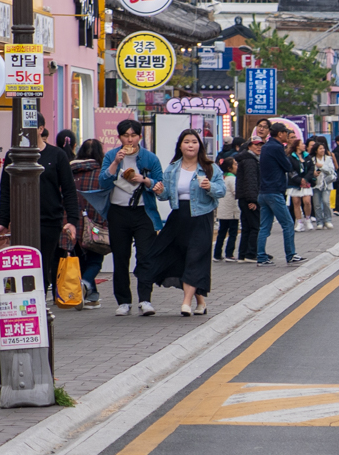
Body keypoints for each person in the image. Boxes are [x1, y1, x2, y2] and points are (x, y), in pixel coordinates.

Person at [139, 129, 226, 317]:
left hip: (202, 217)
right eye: (187, 142)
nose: (190, 145)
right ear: (180, 145)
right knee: (178, 257)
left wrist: (210, 186)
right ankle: (200, 301)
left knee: (195, 258)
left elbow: (221, 190)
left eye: (194, 142)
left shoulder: (210, 167)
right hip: (179, 217)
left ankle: (186, 303)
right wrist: (159, 190)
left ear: (199, 146)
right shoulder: (173, 168)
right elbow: (166, 196)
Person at [88, 119, 166, 315]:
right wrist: (115, 162)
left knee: (145, 256)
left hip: (143, 212)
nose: (129, 140)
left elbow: (160, 184)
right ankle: (123, 301)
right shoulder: (112, 155)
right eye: (125, 135)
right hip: (118, 212)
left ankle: (145, 300)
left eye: (133, 135)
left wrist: (145, 180)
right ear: (119, 137)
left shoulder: (150, 158)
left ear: (140, 136)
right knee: (121, 257)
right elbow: (103, 182)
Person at [0, 124, 79, 304]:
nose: (23, 133)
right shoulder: (13, 155)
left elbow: (69, 190)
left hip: (50, 220)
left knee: (44, 265)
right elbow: (5, 189)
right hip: (20, 221)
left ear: (41, 129)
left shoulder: (57, 155)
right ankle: (27, 306)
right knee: (23, 265)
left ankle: (38, 306)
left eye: (29, 128)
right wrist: (3, 220)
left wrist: (72, 220)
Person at [257, 123, 306, 265]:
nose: (287, 135)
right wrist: (287, 151)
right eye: (285, 133)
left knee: (264, 226)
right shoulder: (277, 147)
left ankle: (261, 257)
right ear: (280, 134)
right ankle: (290, 254)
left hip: (263, 191)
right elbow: (288, 166)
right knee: (288, 223)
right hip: (274, 192)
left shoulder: (265, 146)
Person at [69, 138, 106, 307]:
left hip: (73, 223)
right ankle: (85, 283)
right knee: (95, 260)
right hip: (96, 224)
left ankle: (90, 296)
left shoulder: (70, 171)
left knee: (80, 259)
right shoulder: (102, 173)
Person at [232, 136, 262, 261]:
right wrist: (252, 200)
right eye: (256, 145)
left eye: (260, 145)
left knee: (246, 227)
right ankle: (251, 253)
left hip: (243, 197)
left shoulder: (246, 159)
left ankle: (243, 254)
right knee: (255, 226)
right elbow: (250, 181)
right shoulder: (250, 160)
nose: (259, 147)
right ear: (249, 146)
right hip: (248, 198)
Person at [214, 144, 242, 260]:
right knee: (233, 233)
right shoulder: (232, 179)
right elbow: (236, 193)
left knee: (221, 232)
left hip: (223, 211)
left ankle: (217, 254)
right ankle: (229, 253)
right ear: (230, 168)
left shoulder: (223, 178)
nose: (237, 166)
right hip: (232, 211)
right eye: (235, 164)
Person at [311, 139, 337, 230]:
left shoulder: (328, 159)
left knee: (326, 202)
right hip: (315, 184)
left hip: (326, 184)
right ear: (316, 150)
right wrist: (314, 172)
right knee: (317, 204)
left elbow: (331, 171)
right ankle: (319, 222)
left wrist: (321, 166)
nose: (322, 150)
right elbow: (310, 171)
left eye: (323, 148)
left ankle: (328, 220)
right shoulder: (312, 160)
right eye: (320, 149)